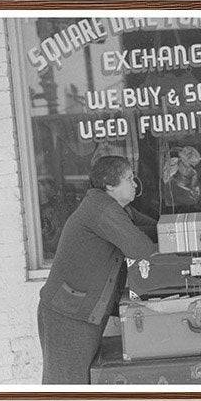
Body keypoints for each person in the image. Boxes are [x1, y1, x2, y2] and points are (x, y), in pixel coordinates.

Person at [38, 155, 156, 384]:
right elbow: (140, 247)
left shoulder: (116, 209)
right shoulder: (101, 210)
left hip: (76, 312)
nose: (135, 184)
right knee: (66, 391)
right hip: (67, 317)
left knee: (78, 386)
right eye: (129, 179)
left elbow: (154, 229)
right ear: (110, 185)